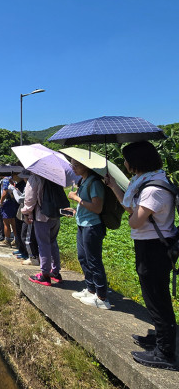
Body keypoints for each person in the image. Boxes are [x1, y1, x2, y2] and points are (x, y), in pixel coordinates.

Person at [106, 141, 178, 371]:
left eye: (126, 159)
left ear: (135, 162)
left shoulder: (153, 188)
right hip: (149, 245)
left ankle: (165, 352)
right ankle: (159, 336)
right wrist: (115, 188)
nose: (124, 163)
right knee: (153, 294)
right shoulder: (147, 182)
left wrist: (132, 220)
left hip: (154, 248)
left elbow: (135, 219)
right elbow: (133, 210)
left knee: (157, 297)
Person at [66, 159, 111, 310]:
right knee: (83, 257)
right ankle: (91, 289)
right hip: (82, 224)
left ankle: (102, 297)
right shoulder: (83, 181)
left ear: (86, 165)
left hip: (92, 226)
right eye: (72, 165)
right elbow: (85, 205)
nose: (73, 168)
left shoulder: (95, 183)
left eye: (76, 165)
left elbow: (97, 208)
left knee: (93, 260)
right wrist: (76, 210)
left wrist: (76, 198)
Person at [21, 173, 63, 285]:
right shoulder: (54, 175)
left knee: (43, 245)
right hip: (55, 215)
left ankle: (45, 275)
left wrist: (26, 213)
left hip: (42, 216)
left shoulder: (35, 177)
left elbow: (30, 199)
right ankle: (55, 272)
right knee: (53, 242)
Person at [0, 174, 19, 246]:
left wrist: (1, 202)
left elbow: (4, 192)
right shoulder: (11, 179)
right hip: (13, 202)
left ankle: (7, 240)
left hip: (7, 203)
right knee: (13, 223)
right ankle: (16, 239)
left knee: (6, 223)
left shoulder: (5, 180)